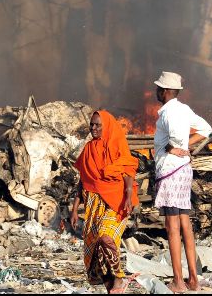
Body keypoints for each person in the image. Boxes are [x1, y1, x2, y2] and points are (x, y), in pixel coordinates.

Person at [152, 71, 212, 293]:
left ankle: (178, 281)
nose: (156, 92)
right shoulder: (185, 109)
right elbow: (206, 130)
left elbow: (174, 137)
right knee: (185, 224)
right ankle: (193, 279)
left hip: (171, 171)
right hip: (183, 170)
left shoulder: (168, 113)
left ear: (166, 91)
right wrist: (187, 147)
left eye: (159, 88)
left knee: (172, 227)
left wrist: (173, 147)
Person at [71, 110, 139, 294]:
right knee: (95, 249)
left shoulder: (116, 144)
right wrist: (75, 209)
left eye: (97, 125)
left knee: (106, 238)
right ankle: (113, 287)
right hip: (93, 205)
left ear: (106, 125)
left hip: (116, 203)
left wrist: (128, 195)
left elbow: (128, 171)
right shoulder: (88, 149)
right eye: (91, 124)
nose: (93, 128)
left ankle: (120, 278)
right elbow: (82, 181)